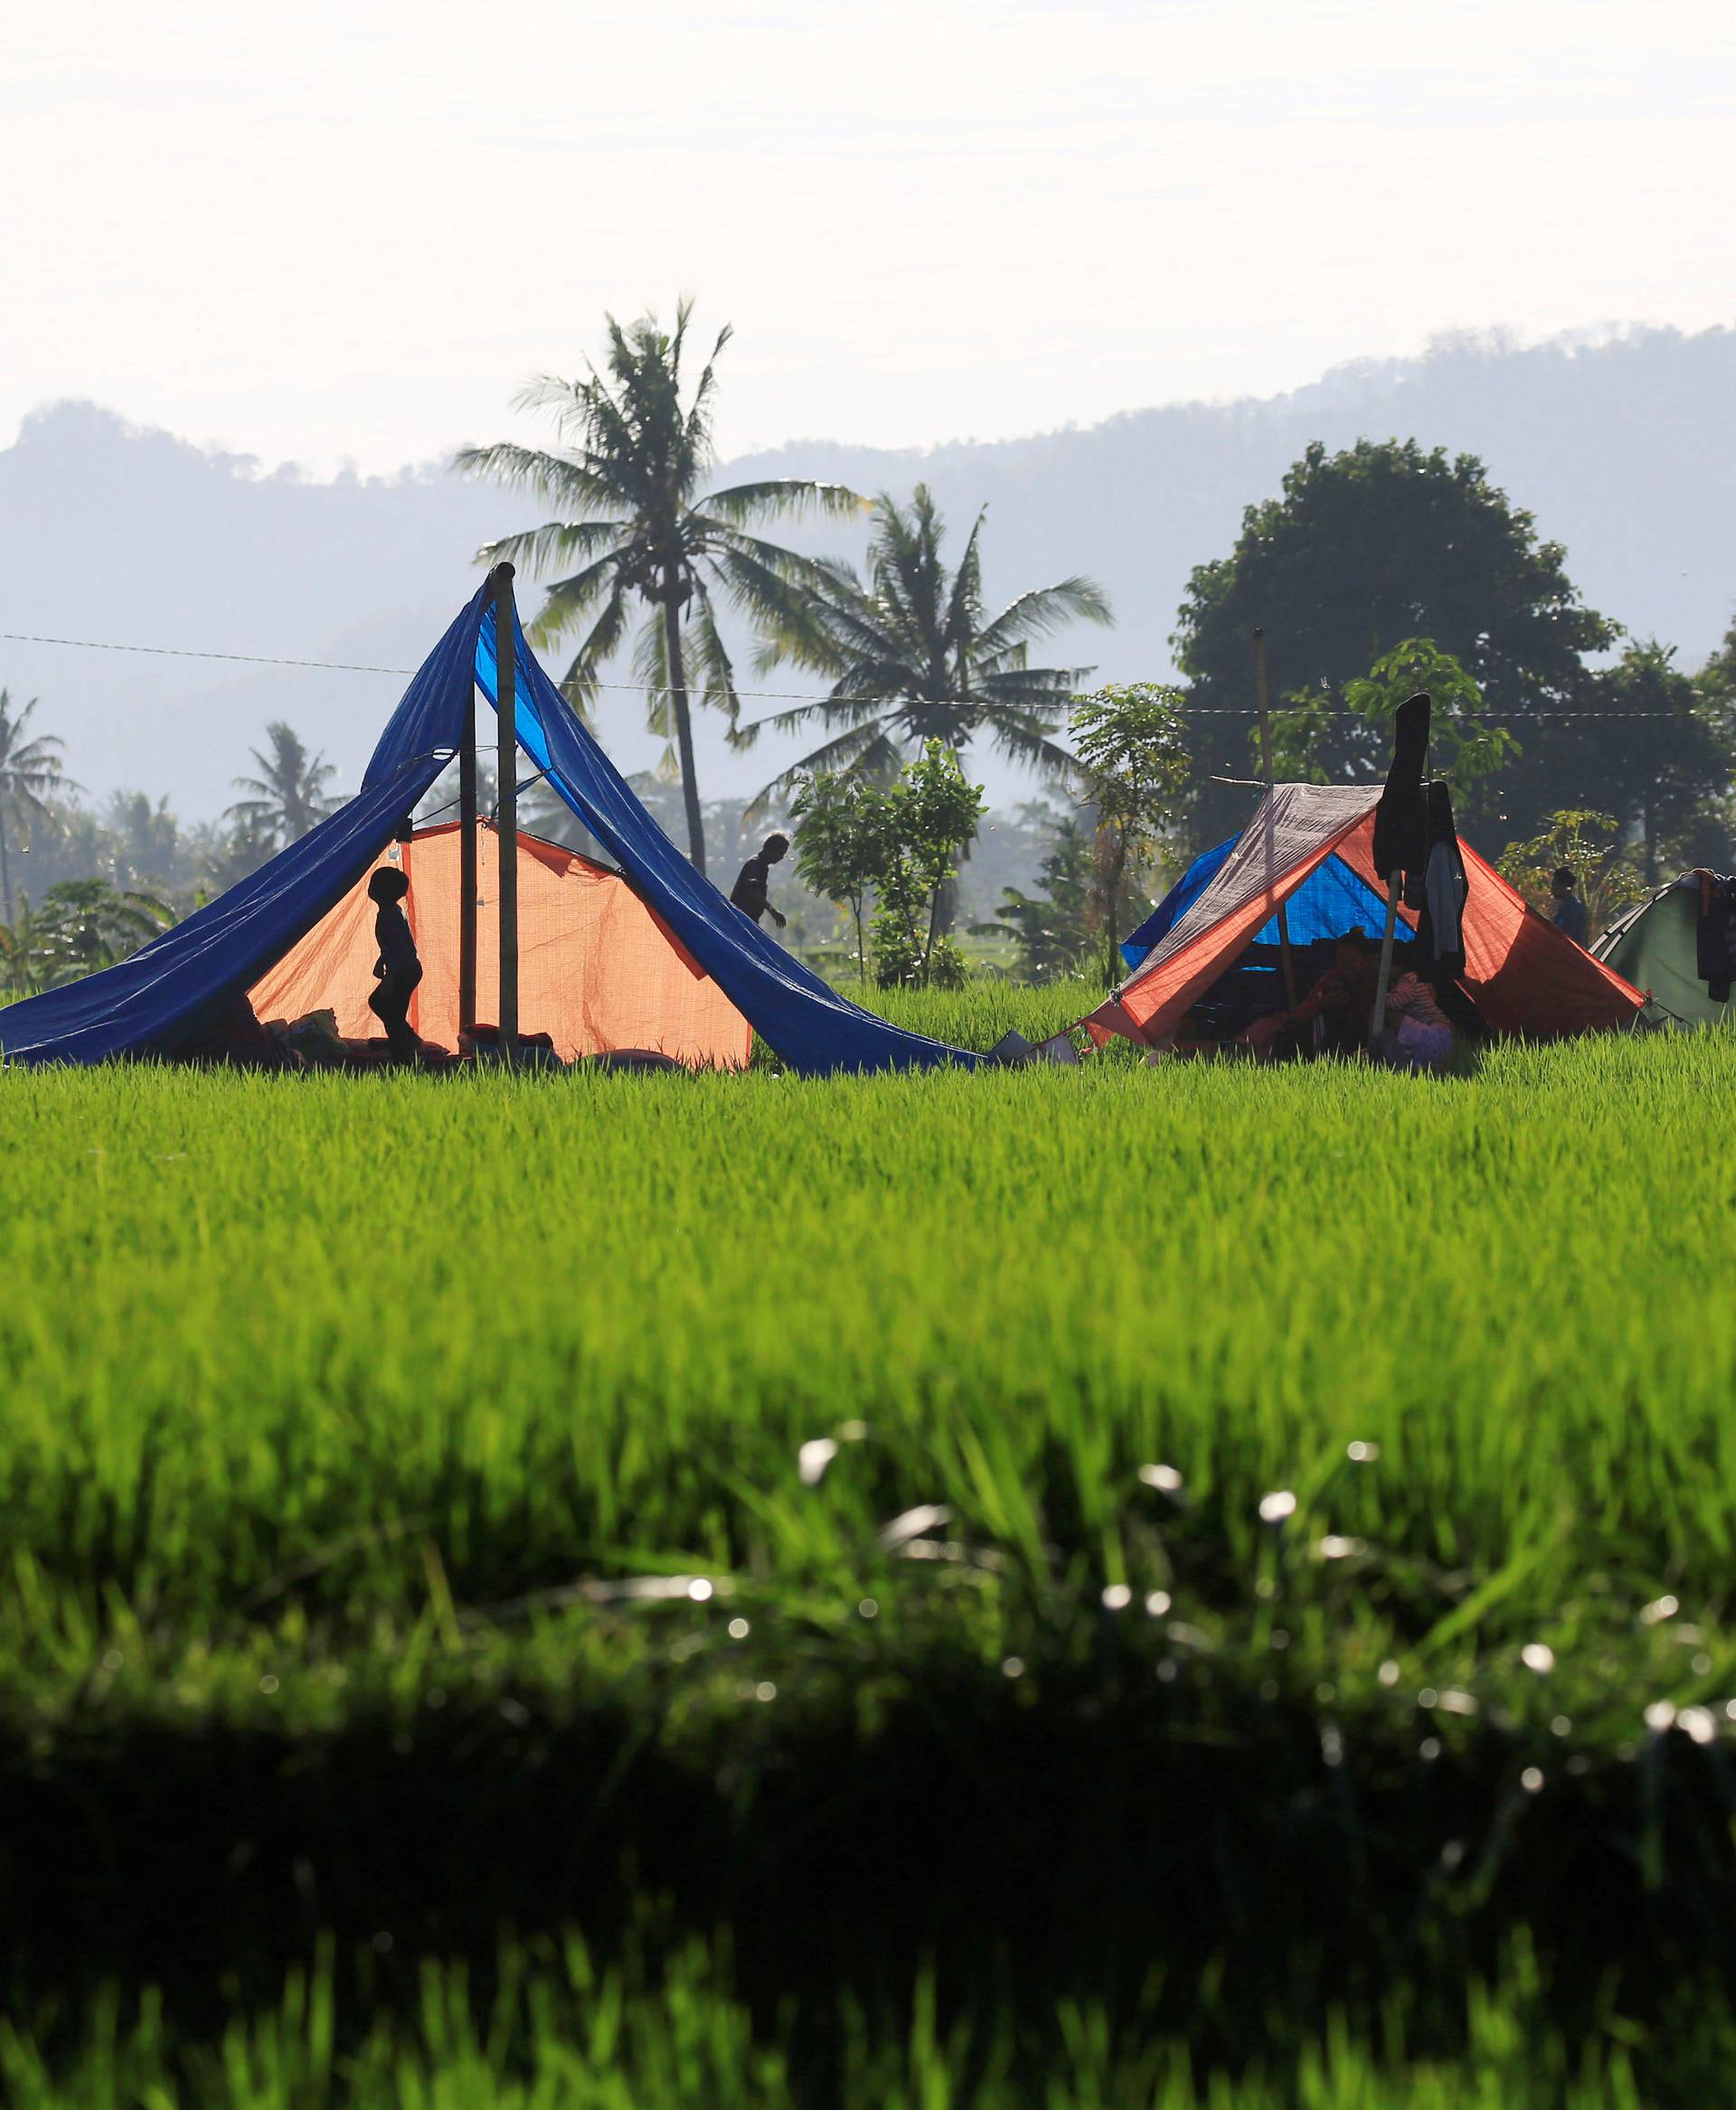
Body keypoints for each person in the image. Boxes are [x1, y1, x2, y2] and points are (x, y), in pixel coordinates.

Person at [367, 865, 423, 1061]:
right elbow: (393, 946)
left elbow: (401, 950)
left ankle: (404, 1055)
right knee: (386, 1007)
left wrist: (391, 977)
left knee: (390, 1011)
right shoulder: (390, 912)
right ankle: (407, 1040)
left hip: (404, 971)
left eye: (375, 884)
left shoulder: (390, 916)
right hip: (404, 969)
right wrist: (381, 961)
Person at [1372, 967, 1456, 1073]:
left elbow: (1400, 1000)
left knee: (1379, 1010)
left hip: (1435, 1032)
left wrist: (1380, 999)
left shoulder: (1408, 979)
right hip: (1439, 1036)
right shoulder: (1416, 981)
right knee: (1418, 1070)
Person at [731, 833, 789, 928]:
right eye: (781, 853)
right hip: (740, 920)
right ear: (772, 850)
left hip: (748, 920)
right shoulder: (755, 865)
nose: (781, 858)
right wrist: (772, 911)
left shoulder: (762, 866)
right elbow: (753, 891)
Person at [1552, 867, 1589, 945]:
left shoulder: (1574, 908)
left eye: (1555, 885)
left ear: (1565, 886)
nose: (1552, 889)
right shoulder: (1564, 907)